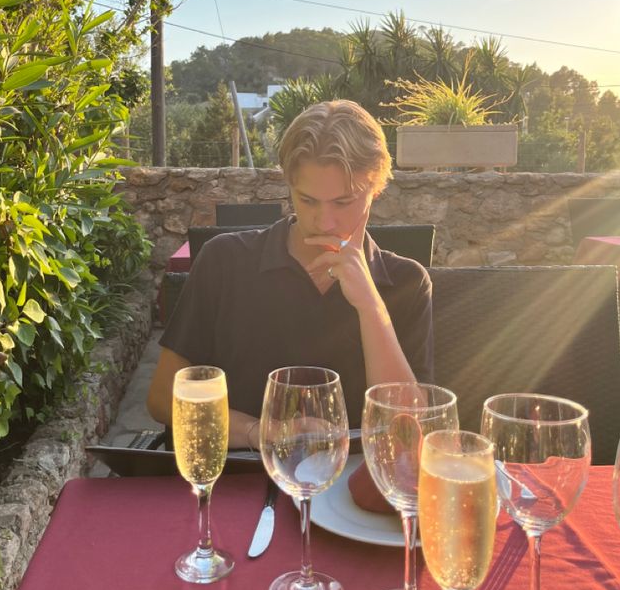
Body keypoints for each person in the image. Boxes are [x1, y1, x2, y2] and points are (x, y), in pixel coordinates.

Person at [146, 99, 433, 449]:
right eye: (308, 200)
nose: (324, 222)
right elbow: (163, 398)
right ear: (289, 185)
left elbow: (405, 432)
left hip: (350, 488)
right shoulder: (226, 261)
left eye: (344, 202)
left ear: (376, 189)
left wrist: (371, 307)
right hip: (240, 482)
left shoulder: (406, 282)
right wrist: (256, 432)